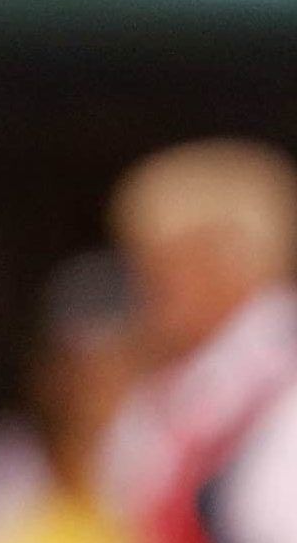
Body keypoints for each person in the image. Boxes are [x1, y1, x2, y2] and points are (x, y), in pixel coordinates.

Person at [100, 138, 297, 543]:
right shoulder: (176, 389)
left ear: (226, 257)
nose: (144, 287)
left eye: (162, 263)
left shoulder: (282, 387)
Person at [0, 253, 134, 543]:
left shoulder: (164, 459)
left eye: (115, 366)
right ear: (46, 373)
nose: (93, 387)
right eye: (78, 368)